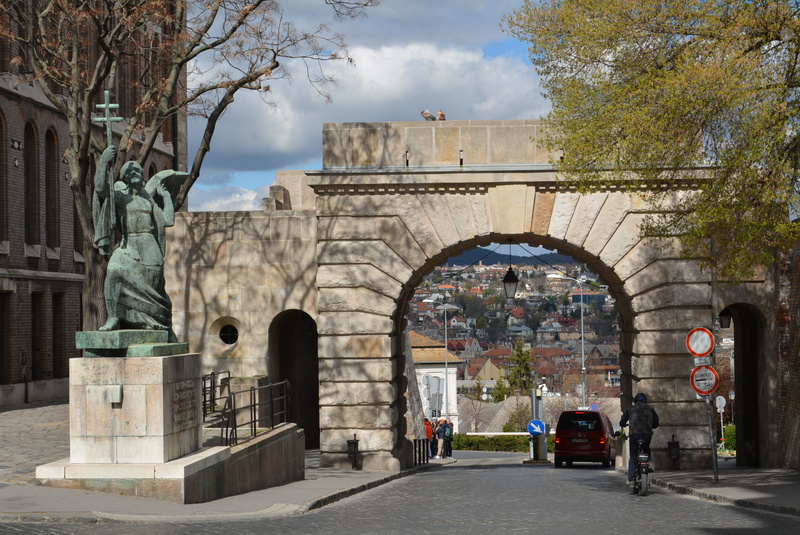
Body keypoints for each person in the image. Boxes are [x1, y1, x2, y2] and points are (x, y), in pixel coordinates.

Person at [93, 145, 185, 342]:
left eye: (138, 170)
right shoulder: (119, 196)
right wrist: (103, 163)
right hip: (129, 244)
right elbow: (100, 190)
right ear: (125, 176)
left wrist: (167, 198)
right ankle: (114, 317)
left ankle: (154, 321)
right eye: (130, 170)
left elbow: (168, 220)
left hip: (150, 248)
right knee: (114, 270)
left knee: (153, 288)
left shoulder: (147, 200)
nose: (135, 172)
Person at [619, 392, 659, 486]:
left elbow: (622, 421)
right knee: (646, 449)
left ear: (635, 401)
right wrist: (651, 425)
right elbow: (656, 422)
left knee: (633, 457)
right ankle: (649, 462)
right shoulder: (650, 408)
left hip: (634, 435)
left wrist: (623, 424)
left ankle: (631, 479)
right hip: (647, 434)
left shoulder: (630, 409)